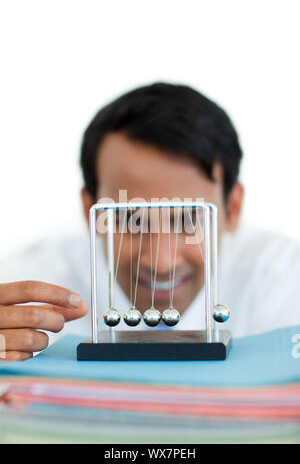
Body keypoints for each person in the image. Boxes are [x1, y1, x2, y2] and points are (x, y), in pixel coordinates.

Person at [1, 82, 300, 361]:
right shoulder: (20, 293)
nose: (161, 263)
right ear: (88, 210)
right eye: (131, 221)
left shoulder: (285, 283)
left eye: (188, 220)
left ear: (233, 209)